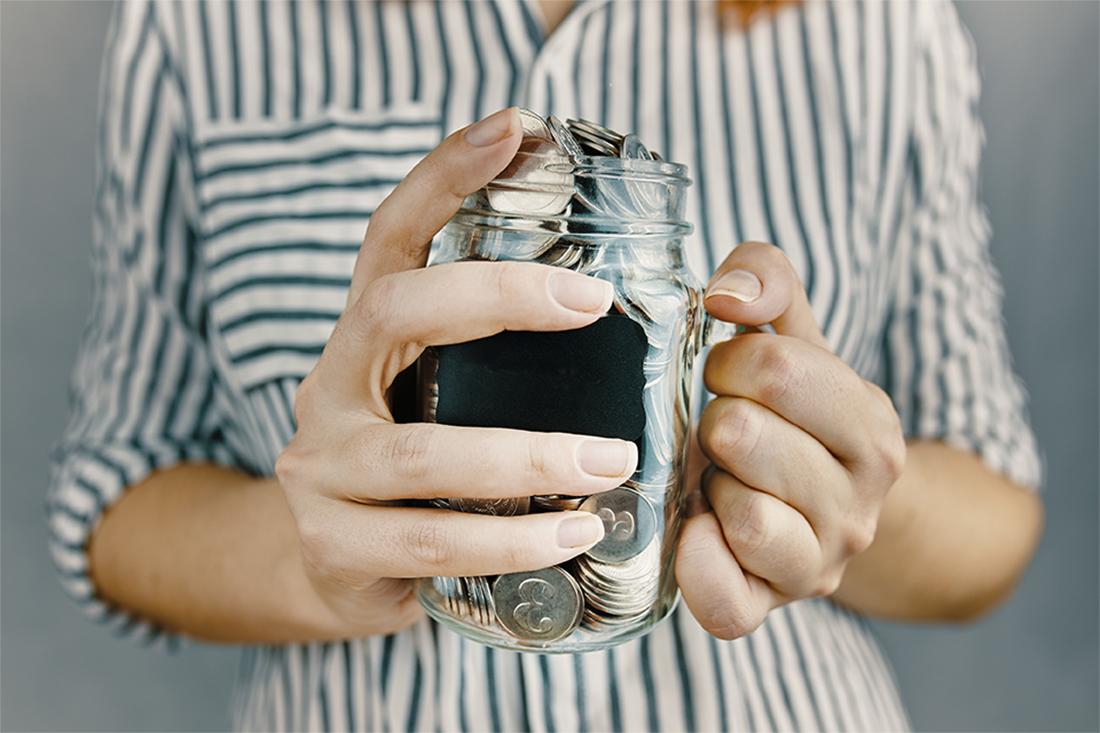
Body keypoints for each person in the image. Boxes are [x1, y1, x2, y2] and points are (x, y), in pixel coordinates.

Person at [48, 0, 1044, 730]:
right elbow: (116, 485)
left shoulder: (885, 30)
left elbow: (992, 506)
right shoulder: (198, 25)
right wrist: (317, 562)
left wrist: (818, 500)